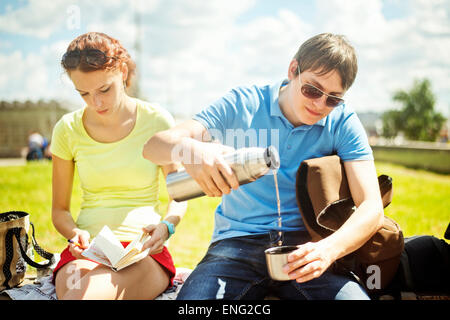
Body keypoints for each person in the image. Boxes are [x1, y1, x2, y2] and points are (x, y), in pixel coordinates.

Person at [142, 33, 384, 300]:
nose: (320, 104)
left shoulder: (343, 121)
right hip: (234, 246)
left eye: (333, 99)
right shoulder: (242, 104)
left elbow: (371, 206)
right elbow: (153, 147)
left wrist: (328, 250)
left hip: (309, 249)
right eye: (312, 90)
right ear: (293, 70)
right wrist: (193, 149)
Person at [50, 32, 187, 300]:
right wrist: (74, 233)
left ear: (122, 72)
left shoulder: (156, 120)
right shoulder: (67, 129)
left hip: (141, 251)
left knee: (83, 297)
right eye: (84, 93)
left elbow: (179, 196)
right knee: (76, 293)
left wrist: (166, 226)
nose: (96, 102)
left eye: (104, 89)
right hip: (88, 251)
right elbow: (59, 211)